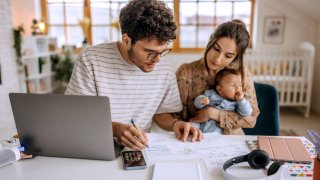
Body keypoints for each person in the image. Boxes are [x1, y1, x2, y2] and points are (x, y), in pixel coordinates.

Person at [65, 0, 202, 150]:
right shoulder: (91, 59)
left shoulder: (164, 68)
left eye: (162, 51)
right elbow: (76, 117)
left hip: (139, 150)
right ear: (127, 40)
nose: (157, 60)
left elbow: (160, 114)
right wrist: (114, 129)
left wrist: (175, 124)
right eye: (150, 52)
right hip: (95, 146)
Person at [176, 20, 260, 135]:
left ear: (235, 57)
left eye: (228, 56)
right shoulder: (185, 73)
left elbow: (251, 119)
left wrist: (214, 114)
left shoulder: (241, 73)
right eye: (216, 48)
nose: (218, 59)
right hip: (195, 138)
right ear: (210, 40)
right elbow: (175, 118)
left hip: (232, 140)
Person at [193, 68, 253, 133]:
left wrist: (241, 100)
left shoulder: (237, 103)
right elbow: (197, 105)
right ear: (220, 90)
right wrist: (201, 101)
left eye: (240, 85)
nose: (238, 88)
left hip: (219, 129)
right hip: (202, 125)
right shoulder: (211, 94)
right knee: (191, 125)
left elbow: (247, 113)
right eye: (233, 85)